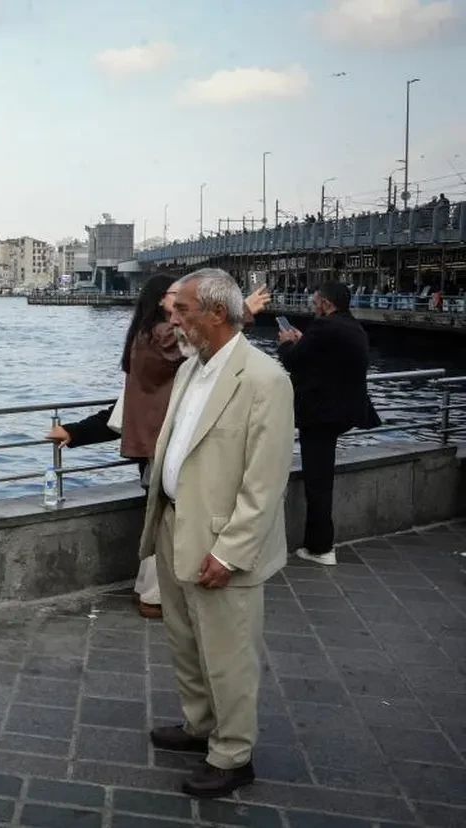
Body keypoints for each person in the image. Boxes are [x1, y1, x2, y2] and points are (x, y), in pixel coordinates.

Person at [140, 268, 294, 799]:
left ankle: (233, 756)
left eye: (182, 309)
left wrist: (230, 553)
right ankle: (199, 724)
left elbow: (265, 481)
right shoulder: (192, 368)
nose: (171, 315)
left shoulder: (264, 379)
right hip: (173, 523)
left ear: (216, 314)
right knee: (184, 640)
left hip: (221, 541)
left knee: (228, 653)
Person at [49, 282, 270, 618]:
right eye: (175, 296)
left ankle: (152, 591)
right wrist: (245, 311)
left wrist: (77, 432)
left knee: (164, 515)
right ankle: (154, 596)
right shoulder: (163, 336)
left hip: (156, 441)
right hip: (164, 443)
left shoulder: (145, 335)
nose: (182, 303)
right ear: (160, 299)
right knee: (169, 518)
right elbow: (207, 343)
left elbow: (129, 403)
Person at [277, 281, 379, 566]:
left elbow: (294, 361)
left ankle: (321, 548)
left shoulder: (323, 328)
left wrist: (286, 342)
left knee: (318, 482)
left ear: (327, 303)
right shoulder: (353, 327)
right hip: (344, 412)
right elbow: (324, 358)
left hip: (321, 415)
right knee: (321, 477)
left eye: (316, 299)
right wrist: (302, 340)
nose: (312, 303)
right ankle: (319, 544)